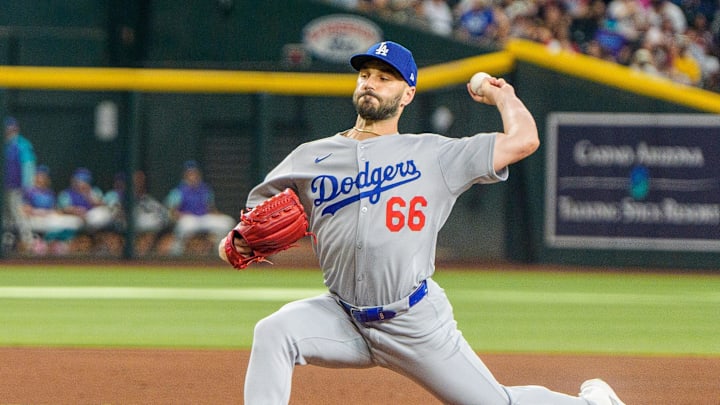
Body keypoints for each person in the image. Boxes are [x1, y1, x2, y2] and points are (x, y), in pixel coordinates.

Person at [219, 40, 626, 405]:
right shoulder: (310, 156)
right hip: (341, 315)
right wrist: (235, 244)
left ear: (408, 93)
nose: (370, 83)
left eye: (385, 77)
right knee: (274, 332)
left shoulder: (434, 154)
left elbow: (524, 140)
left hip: (412, 321)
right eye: (364, 75)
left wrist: (502, 94)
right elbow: (251, 223)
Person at [165, 160, 234, 256]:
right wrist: (180, 215)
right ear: (185, 175)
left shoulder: (205, 189)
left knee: (227, 222)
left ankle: (217, 252)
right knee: (184, 226)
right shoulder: (178, 191)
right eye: (190, 174)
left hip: (204, 217)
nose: (193, 176)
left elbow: (211, 209)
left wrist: (218, 214)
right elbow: (172, 211)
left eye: (195, 173)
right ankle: (176, 254)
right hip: (189, 219)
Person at [104, 170, 171, 256]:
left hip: (147, 234)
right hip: (121, 234)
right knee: (112, 239)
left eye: (140, 181)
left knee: (152, 237)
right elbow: (112, 220)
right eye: (135, 181)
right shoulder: (116, 200)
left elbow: (165, 219)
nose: (137, 184)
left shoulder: (151, 203)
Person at [22, 164, 83, 255]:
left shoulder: (49, 193)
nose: (41, 178)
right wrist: (40, 212)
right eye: (39, 175)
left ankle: (54, 242)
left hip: (48, 218)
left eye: (43, 176)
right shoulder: (29, 192)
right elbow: (24, 210)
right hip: (34, 219)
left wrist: (55, 213)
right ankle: (43, 243)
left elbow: (56, 209)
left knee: (73, 222)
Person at [57, 167, 116, 253]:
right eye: (78, 180)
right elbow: (63, 209)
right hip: (74, 222)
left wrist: (88, 195)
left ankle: (100, 245)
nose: (80, 183)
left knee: (102, 215)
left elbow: (103, 205)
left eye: (84, 181)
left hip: (93, 224)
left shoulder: (94, 192)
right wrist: (76, 211)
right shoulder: (66, 194)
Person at [3, 116, 36, 252]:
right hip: (5, 187)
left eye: (11, 128)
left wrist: (27, 185)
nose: (8, 131)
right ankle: (7, 242)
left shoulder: (22, 145)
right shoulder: (5, 144)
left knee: (18, 214)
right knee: (6, 216)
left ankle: (29, 242)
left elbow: (28, 165)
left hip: (17, 187)